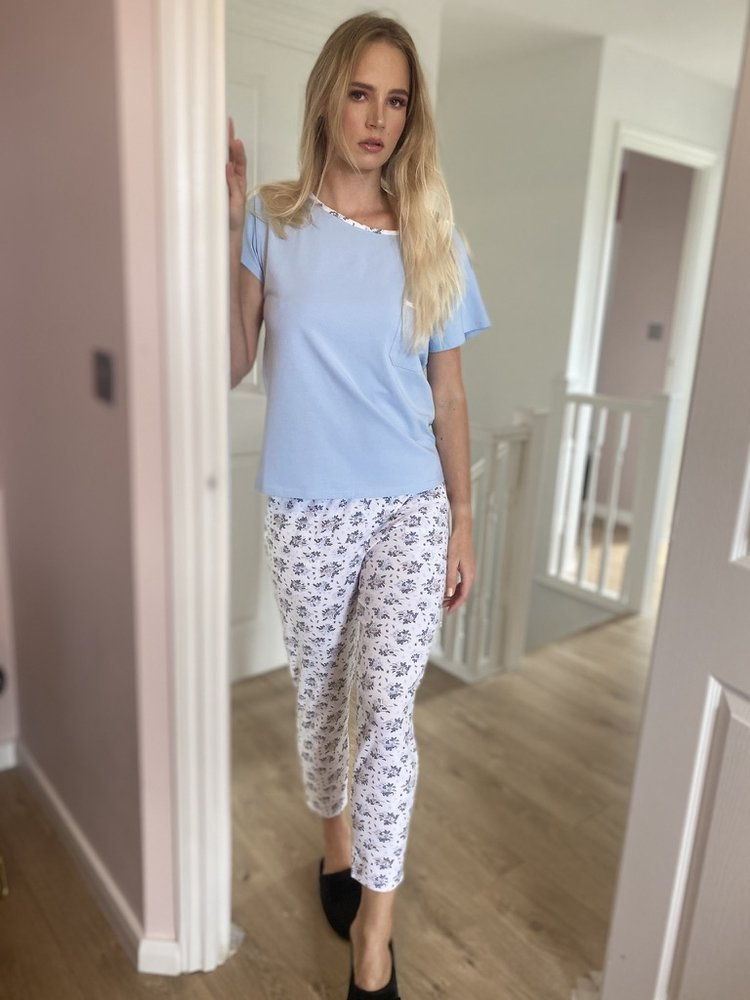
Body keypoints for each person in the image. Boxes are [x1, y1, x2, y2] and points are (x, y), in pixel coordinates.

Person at [226, 12, 490, 999]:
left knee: (387, 711)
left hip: (410, 506)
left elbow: (449, 396)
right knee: (322, 699)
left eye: (397, 101)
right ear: (328, 98)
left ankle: (374, 938)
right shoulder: (274, 219)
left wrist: (463, 518)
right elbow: (230, 360)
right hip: (306, 508)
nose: (378, 119)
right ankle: (335, 842)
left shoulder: (432, 236)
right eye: (361, 94)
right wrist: (223, 230)